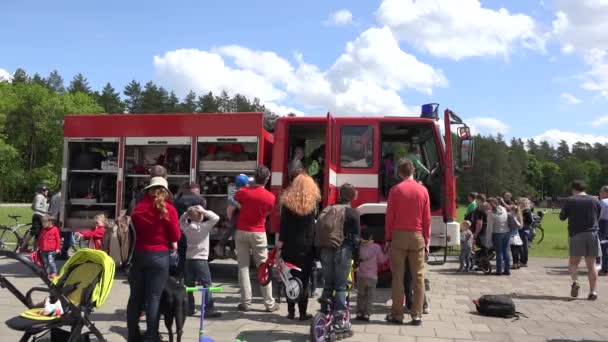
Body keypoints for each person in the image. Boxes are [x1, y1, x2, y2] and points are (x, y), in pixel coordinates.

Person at [127, 177, 181, 341]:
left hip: (138, 256)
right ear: (165, 191)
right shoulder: (169, 209)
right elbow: (175, 235)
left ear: (148, 190)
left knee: (135, 297)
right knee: (154, 297)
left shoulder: (138, 208)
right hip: (159, 257)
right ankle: (151, 335)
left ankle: (133, 334)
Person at [385, 159, 431, 326]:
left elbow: (389, 217)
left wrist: (388, 238)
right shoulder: (423, 191)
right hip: (417, 236)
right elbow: (427, 219)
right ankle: (416, 315)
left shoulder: (395, 190)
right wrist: (426, 241)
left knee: (398, 276)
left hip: (398, 235)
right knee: (418, 277)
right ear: (413, 171)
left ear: (399, 172)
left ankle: (397, 314)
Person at [229, 165, 279, 312]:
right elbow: (268, 213)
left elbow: (235, 198)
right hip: (258, 232)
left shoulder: (244, 192)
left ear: (254, 178)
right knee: (263, 267)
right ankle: (269, 303)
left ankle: (245, 302)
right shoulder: (271, 197)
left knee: (243, 267)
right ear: (267, 179)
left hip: (241, 231)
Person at [276, 173, 321, 320]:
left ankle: (290, 311)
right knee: (305, 279)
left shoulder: (287, 203)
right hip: (306, 248)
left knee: (289, 278)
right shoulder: (313, 204)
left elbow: (283, 227)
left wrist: (280, 245)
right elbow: (314, 228)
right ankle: (303, 312)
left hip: (289, 246)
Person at [317, 183, 360, 334]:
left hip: (325, 251)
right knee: (341, 286)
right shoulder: (353, 213)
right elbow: (356, 240)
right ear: (352, 196)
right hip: (343, 250)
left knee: (328, 284)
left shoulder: (328, 209)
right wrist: (357, 259)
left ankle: (323, 315)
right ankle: (339, 320)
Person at [559, 180, 602, 300]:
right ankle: (593, 292)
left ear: (573, 189)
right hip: (592, 234)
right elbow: (598, 214)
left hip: (576, 235)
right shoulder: (594, 200)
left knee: (574, 262)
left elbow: (562, 217)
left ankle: (575, 282)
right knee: (591, 265)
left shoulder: (570, 200)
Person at [180, 205, 221, 318]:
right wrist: (204, 211)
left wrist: (186, 214)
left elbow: (181, 221)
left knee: (189, 285)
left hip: (189, 258)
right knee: (206, 284)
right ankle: (209, 308)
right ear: (201, 217)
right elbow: (215, 218)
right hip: (201, 259)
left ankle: (190, 307)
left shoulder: (187, 228)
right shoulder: (204, 227)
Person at [173, 182, 206, 279]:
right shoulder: (200, 200)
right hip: (196, 231)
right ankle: (196, 276)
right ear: (197, 190)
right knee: (197, 256)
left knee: (182, 255)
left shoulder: (177, 200)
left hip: (182, 230)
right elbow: (204, 216)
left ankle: (181, 275)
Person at [355, 230, 386, 322]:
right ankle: (367, 314)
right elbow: (382, 260)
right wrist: (387, 254)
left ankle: (359, 313)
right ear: (370, 238)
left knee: (361, 295)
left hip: (361, 276)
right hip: (372, 277)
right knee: (370, 297)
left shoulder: (358, 247)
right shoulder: (376, 247)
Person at [21, 184, 49, 252]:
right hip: (39, 216)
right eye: (45, 190)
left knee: (38, 233)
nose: (47, 191)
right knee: (34, 231)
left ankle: (35, 249)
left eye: (47, 190)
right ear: (41, 191)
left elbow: (32, 207)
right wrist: (46, 211)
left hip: (39, 216)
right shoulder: (40, 196)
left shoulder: (39, 196)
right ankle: (23, 246)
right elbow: (36, 207)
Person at [487, 198, 510, 276]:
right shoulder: (503, 209)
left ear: (490, 204)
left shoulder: (491, 213)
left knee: (499, 252)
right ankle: (507, 270)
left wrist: (488, 239)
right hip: (506, 232)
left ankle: (499, 270)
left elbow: (489, 228)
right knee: (506, 251)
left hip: (497, 233)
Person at [508, 205, 524, 270]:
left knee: (514, 251)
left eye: (512, 209)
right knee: (516, 250)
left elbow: (519, 226)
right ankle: (516, 263)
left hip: (513, 236)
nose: (510, 210)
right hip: (515, 235)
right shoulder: (517, 216)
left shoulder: (513, 217)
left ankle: (515, 264)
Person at [519, 198, 533, 267]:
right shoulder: (524, 211)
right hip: (523, 229)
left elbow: (530, 221)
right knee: (522, 245)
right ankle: (522, 260)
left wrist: (523, 221)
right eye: (522, 203)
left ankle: (524, 261)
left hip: (525, 229)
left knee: (524, 245)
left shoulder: (527, 211)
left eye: (523, 203)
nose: (522, 204)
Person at [599, 186, 608, 275]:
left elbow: (599, 215)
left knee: (604, 247)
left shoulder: (603, 202)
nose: (600, 194)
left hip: (604, 224)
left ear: (606, 193)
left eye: (601, 192)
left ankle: (605, 269)